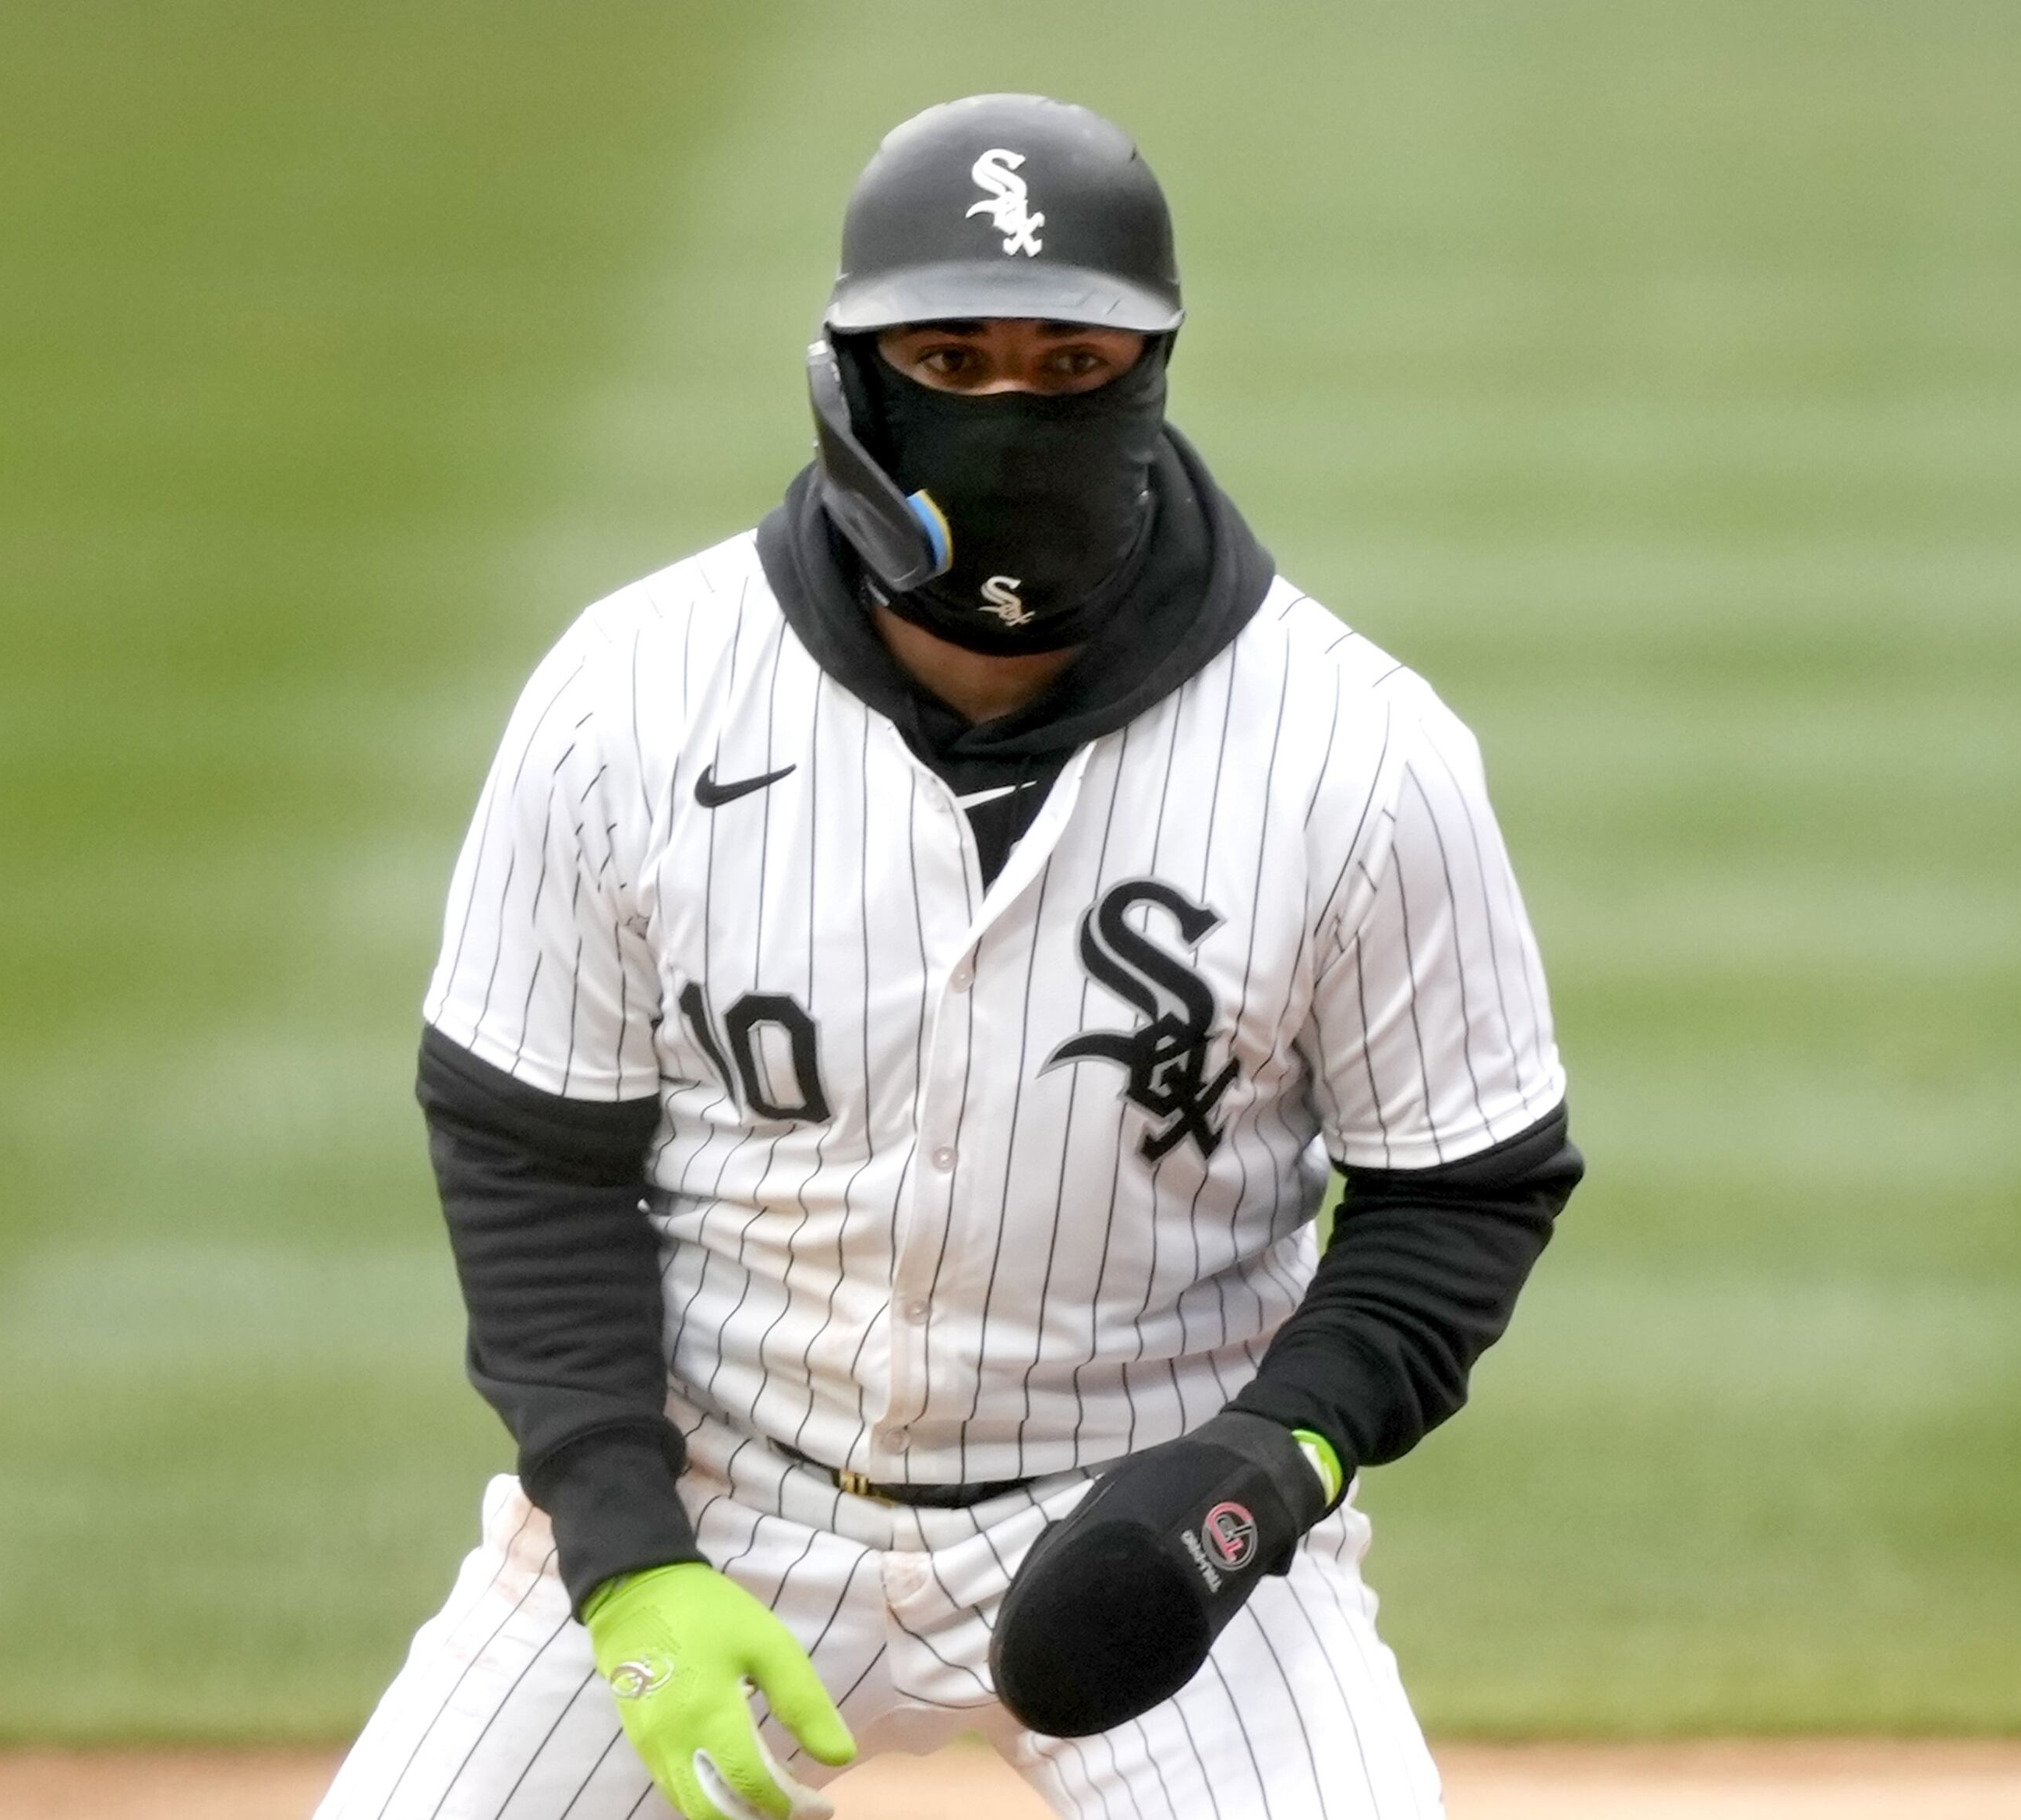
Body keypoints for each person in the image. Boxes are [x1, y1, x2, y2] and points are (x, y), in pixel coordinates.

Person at [313, 93, 1579, 1820]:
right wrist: (621, 1554)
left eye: (1070, 365)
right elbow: (530, 1154)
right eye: (953, 356)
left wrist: (1266, 1467)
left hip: (1147, 1526)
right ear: (849, 380)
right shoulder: (629, 702)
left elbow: (1467, 1185)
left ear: (1152, 379)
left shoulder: (1357, 756)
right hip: (712, 1498)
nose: (1009, 408)